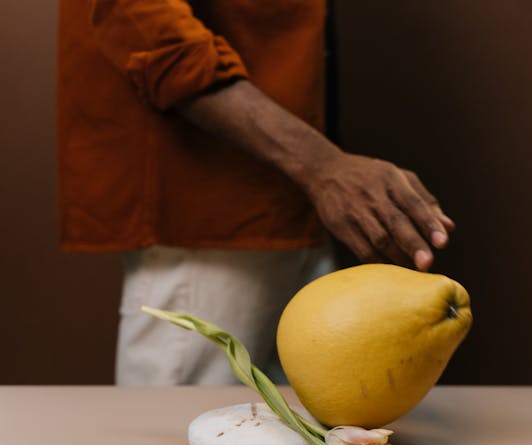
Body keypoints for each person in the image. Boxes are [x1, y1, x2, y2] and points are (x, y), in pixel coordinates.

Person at [57, 0, 455, 385]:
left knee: (303, 439)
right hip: (211, 214)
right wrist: (321, 165)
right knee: (177, 439)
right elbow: (138, 15)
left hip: (293, 206)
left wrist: (321, 169)